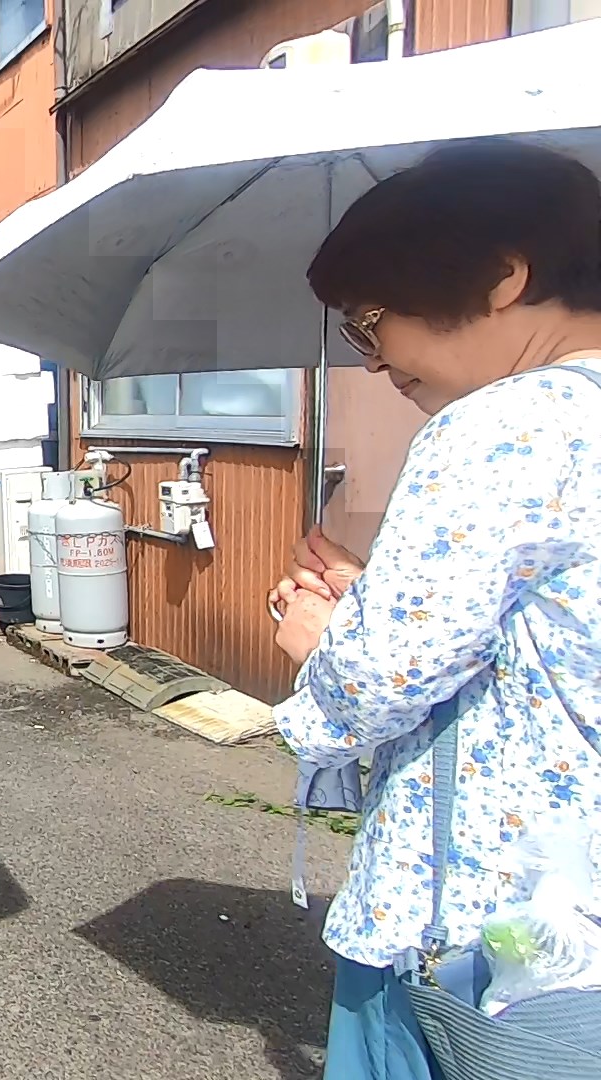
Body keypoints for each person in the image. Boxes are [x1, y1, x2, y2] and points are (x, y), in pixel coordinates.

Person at [271, 141, 601, 1080]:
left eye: (372, 322)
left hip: (487, 936)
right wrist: (381, 597)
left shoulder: (505, 424)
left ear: (503, 277)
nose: (376, 361)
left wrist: (323, 640)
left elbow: (379, 678)